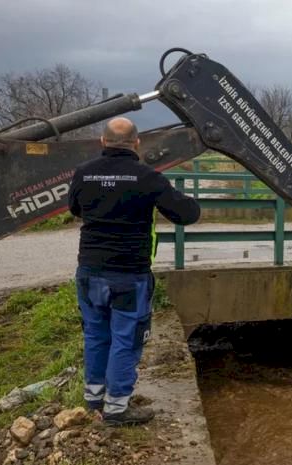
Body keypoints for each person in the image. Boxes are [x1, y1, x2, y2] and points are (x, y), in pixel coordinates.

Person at [68, 117, 201, 426]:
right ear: (137, 144)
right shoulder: (147, 178)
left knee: (96, 335)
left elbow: (75, 208)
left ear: (103, 142)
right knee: (126, 340)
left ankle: (94, 399)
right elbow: (187, 214)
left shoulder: (83, 174)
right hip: (129, 275)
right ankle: (116, 410)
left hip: (90, 271)